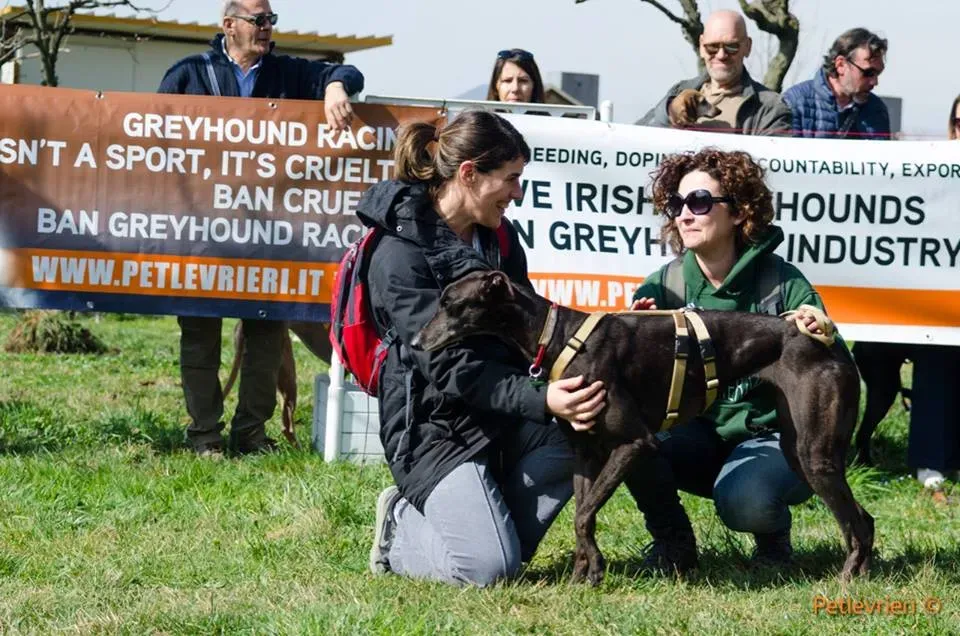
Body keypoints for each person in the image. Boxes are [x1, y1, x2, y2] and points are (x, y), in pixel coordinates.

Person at [362, 110, 605, 587]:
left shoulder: (502, 240)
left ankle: (484, 526)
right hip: (433, 431)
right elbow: (448, 366)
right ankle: (399, 527)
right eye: (511, 179)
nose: (518, 193)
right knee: (488, 570)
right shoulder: (398, 256)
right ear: (469, 174)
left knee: (588, 435)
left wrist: (608, 336)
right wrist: (542, 400)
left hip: (501, 416)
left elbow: (531, 324)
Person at [158, 0, 364, 456]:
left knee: (266, 335)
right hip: (203, 233)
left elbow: (349, 75)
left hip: (271, 237)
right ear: (228, 24)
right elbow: (156, 138)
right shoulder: (188, 74)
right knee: (199, 335)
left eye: (271, 20)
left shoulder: (288, 73)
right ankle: (204, 435)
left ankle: (250, 435)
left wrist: (333, 86)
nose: (267, 29)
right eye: (259, 20)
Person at [624, 148, 834, 573]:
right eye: (676, 204)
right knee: (628, 434)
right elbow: (639, 388)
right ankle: (672, 542)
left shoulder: (782, 281)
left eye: (699, 202)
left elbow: (829, 372)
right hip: (697, 435)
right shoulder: (664, 287)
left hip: (775, 440)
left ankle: (773, 540)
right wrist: (638, 343)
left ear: (739, 213)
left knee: (745, 501)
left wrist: (822, 333)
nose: (685, 215)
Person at [906, 97, 960, 489]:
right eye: (959, 122)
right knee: (934, 354)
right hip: (939, 299)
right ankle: (931, 460)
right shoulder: (930, 171)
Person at [636, 10, 791, 134]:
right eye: (712, 47)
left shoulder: (769, 108)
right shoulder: (679, 92)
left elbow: (773, 167)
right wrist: (668, 114)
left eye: (731, 47)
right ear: (702, 46)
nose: (721, 55)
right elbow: (634, 139)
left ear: (747, 47)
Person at [782, 28, 890, 139]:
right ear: (841, 65)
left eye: (878, 73)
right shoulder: (795, 102)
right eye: (868, 73)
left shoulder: (877, 110)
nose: (875, 82)